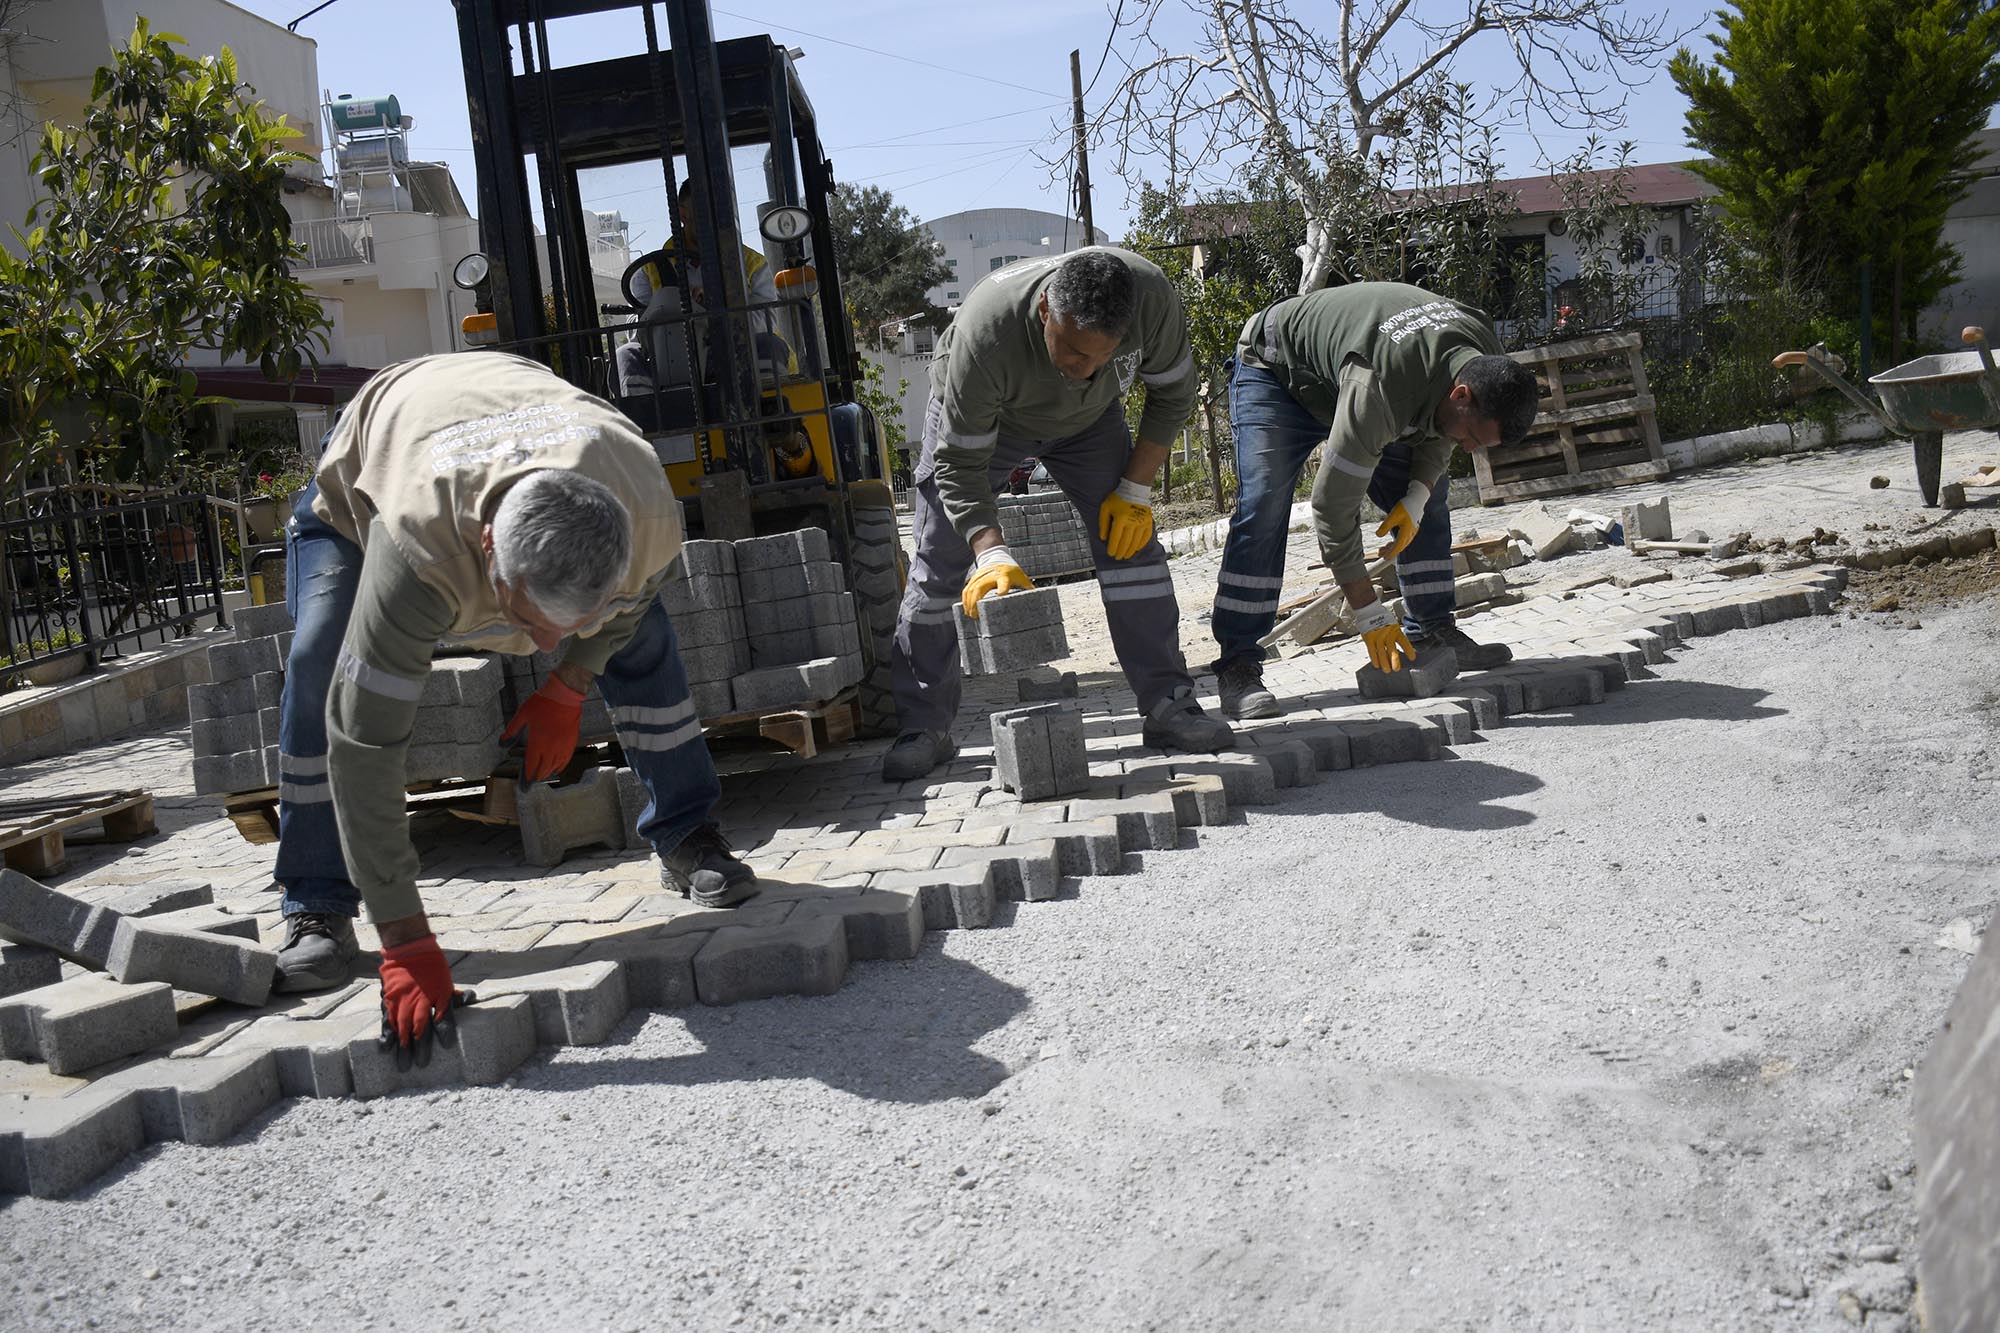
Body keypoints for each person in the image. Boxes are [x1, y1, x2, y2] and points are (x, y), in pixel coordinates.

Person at [271, 351, 756, 1052]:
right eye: (531, 620)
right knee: (320, 663)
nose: (544, 641)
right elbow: (365, 740)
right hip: (376, 451)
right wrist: (405, 937)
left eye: (568, 625)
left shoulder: (644, 504)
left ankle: (687, 832)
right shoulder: (418, 547)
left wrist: (571, 678)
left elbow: (631, 602)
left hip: (511, 409)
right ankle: (317, 902)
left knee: (640, 637)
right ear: (488, 546)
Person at [882, 247, 1233, 781]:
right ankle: (923, 725)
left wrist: (1135, 488)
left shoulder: (1152, 298)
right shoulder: (987, 335)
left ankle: (1168, 701)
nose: (1081, 369)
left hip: (1089, 425)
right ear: (1046, 308)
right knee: (939, 568)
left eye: (1100, 358)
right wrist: (990, 549)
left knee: (1132, 549)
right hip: (990, 421)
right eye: (1071, 351)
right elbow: (959, 464)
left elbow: (1174, 395)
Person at [1209, 282, 1541, 719]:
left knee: (1432, 493)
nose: (1468, 448)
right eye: (1474, 438)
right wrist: (1368, 612)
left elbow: (1444, 433)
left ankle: (1433, 630)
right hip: (1278, 372)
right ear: (1462, 395)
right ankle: (1238, 664)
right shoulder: (1383, 388)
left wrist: (1418, 494)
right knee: (1265, 505)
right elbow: (1330, 508)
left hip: (1358, 369)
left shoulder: (1482, 356)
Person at [617, 179, 794, 394]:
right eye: (706, 213)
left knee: (769, 343)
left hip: (733, 357)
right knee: (626, 355)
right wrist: (662, 308)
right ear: (683, 215)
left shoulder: (752, 264)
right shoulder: (648, 270)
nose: (716, 221)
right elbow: (635, 332)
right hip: (670, 363)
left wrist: (715, 306)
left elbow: (763, 321)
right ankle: (650, 421)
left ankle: (765, 415)